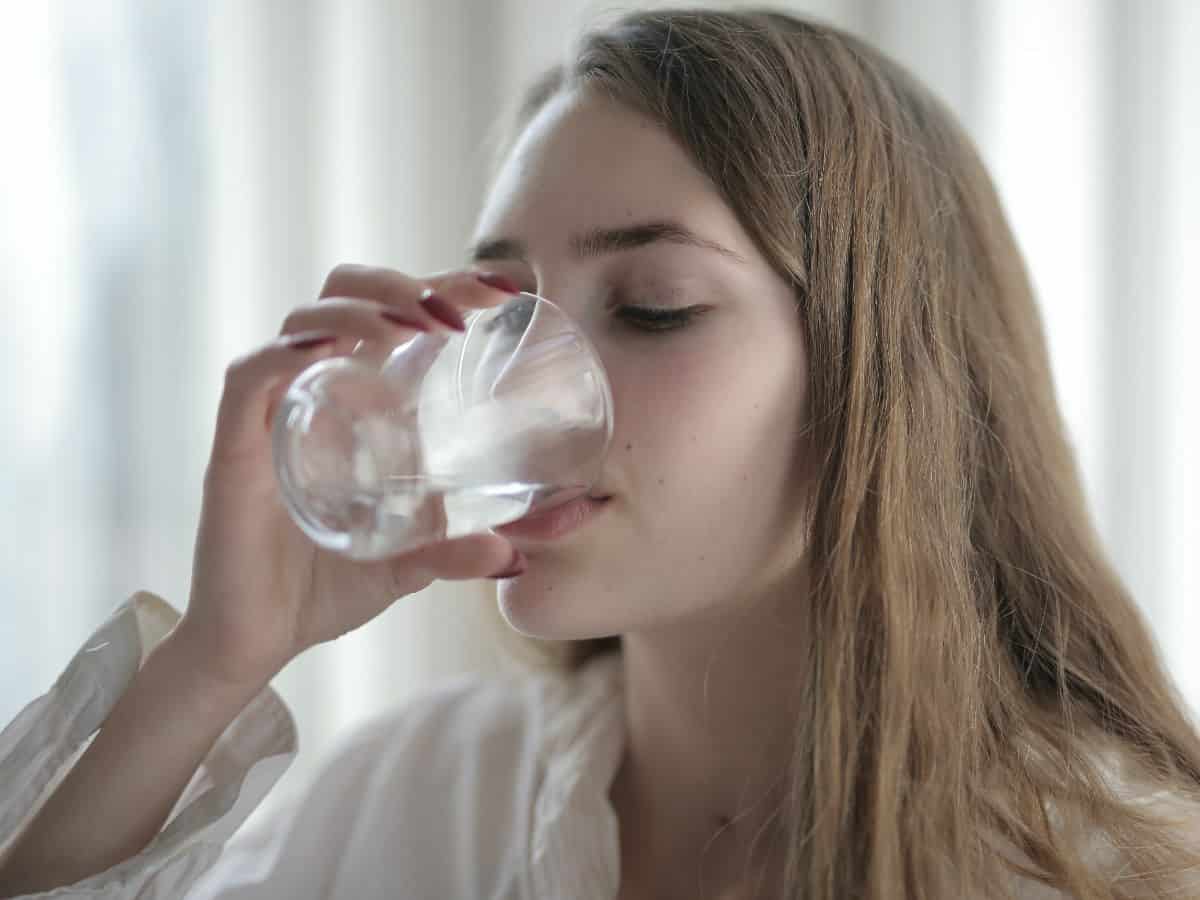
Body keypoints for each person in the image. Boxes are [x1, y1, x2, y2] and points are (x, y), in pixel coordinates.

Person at [1, 7, 1198, 899]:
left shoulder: (1106, 869)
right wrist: (215, 660)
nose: (518, 384)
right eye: (505, 310)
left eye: (656, 305)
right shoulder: (425, 798)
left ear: (882, 377)